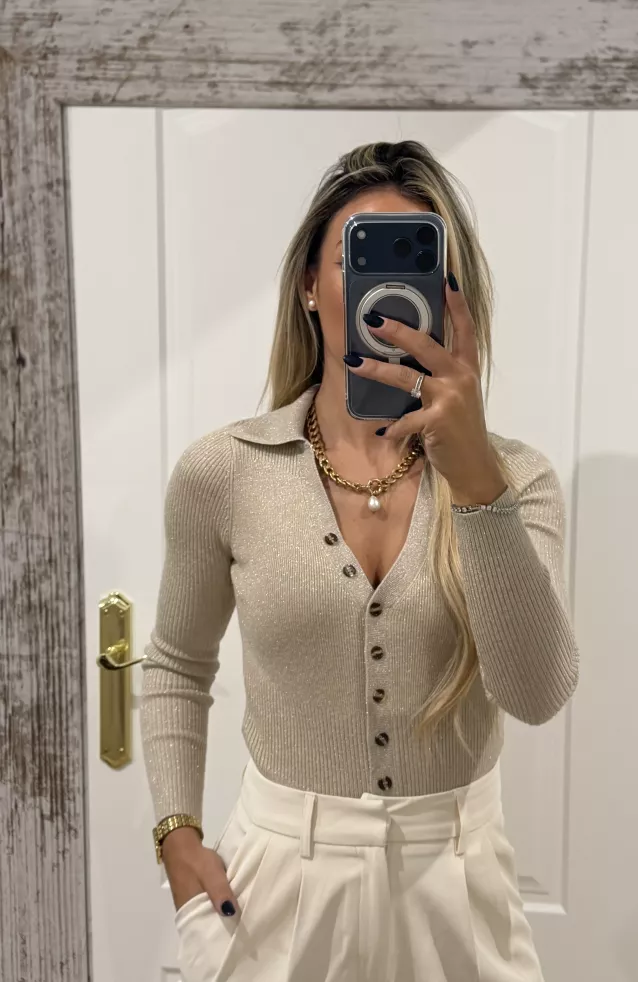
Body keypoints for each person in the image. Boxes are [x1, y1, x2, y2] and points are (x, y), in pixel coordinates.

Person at [141, 139, 579, 982]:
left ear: (453, 300)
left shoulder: (516, 479)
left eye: (418, 266)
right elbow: (176, 663)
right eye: (357, 260)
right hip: (276, 883)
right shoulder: (223, 471)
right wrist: (176, 834)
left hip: (460, 883)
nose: (387, 294)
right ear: (309, 285)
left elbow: (536, 694)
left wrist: (474, 479)